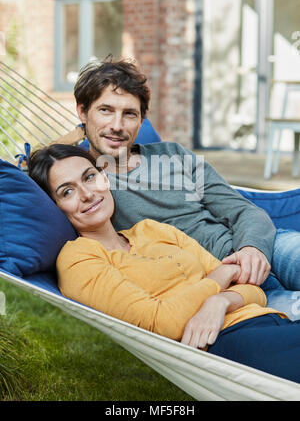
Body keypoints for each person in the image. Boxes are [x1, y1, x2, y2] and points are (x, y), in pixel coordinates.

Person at [28, 143, 300, 383]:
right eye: (67, 192)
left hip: (270, 319)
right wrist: (222, 276)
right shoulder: (78, 259)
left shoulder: (153, 229)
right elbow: (162, 323)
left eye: (89, 177)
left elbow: (255, 291)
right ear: (55, 207)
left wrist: (221, 302)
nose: (87, 194)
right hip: (228, 343)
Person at [73, 58, 300, 320]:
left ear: (142, 120)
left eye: (129, 114)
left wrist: (252, 249)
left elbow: (245, 211)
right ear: (82, 111)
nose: (117, 125)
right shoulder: (85, 183)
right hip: (223, 284)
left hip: (266, 248)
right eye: (105, 110)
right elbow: (44, 173)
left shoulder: (173, 154)